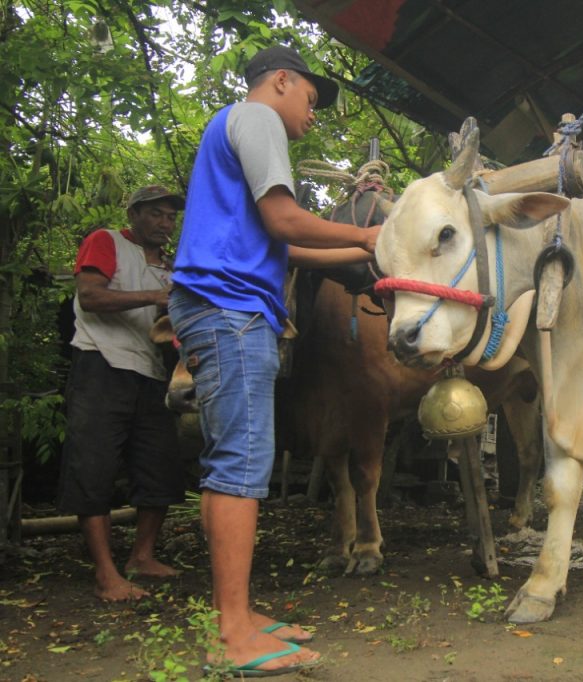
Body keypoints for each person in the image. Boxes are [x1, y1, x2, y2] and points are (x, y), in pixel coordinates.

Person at [168, 45, 380, 676]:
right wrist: (370, 234)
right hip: (229, 311)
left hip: (219, 304)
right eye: (311, 101)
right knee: (241, 463)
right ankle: (232, 635)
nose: (313, 115)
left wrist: (361, 260)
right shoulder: (257, 120)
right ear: (281, 82)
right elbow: (285, 219)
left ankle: (233, 614)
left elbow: (283, 249)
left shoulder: (230, 130)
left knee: (228, 461)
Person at [56, 184, 185, 602]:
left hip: (150, 373)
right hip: (101, 364)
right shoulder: (106, 241)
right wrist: (155, 295)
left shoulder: (172, 266)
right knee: (93, 467)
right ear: (134, 214)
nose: (164, 223)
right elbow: (90, 296)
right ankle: (105, 573)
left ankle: (141, 557)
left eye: (170, 217)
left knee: (159, 466)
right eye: (155, 214)